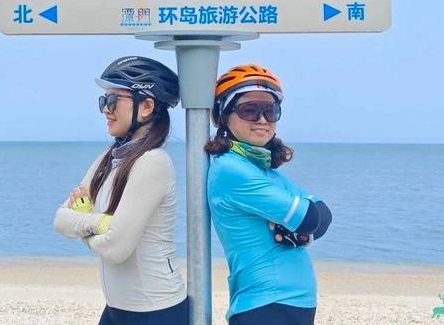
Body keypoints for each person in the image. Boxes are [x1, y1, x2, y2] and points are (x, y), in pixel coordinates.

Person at [53, 56, 189, 325]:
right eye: (104, 101)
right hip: (117, 309)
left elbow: (115, 249)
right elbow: (59, 220)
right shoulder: (109, 159)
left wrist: (84, 223)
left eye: (114, 100)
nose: (106, 109)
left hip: (156, 311)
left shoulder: (152, 162)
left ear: (147, 106)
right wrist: (100, 223)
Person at [206, 64, 332, 325]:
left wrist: (298, 230)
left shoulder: (260, 168)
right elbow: (310, 218)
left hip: (291, 303)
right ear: (223, 116)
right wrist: (300, 227)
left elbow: (324, 215)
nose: (262, 119)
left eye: (270, 110)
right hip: (266, 304)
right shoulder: (231, 169)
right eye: (249, 110)